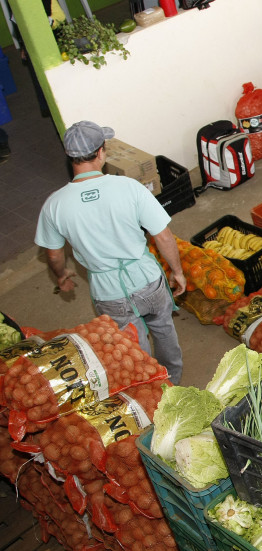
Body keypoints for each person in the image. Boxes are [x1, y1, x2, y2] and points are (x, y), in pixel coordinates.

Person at [34, 121, 186, 383]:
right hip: (147, 279)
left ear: (70, 157)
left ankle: (153, 386)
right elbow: (162, 235)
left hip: (108, 292)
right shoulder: (128, 187)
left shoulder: (54, 205)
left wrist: (61, 275)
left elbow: (54, 255)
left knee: (134, 345)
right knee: (164, 330)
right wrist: (178, 271)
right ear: (101, 152)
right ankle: (173, 377)